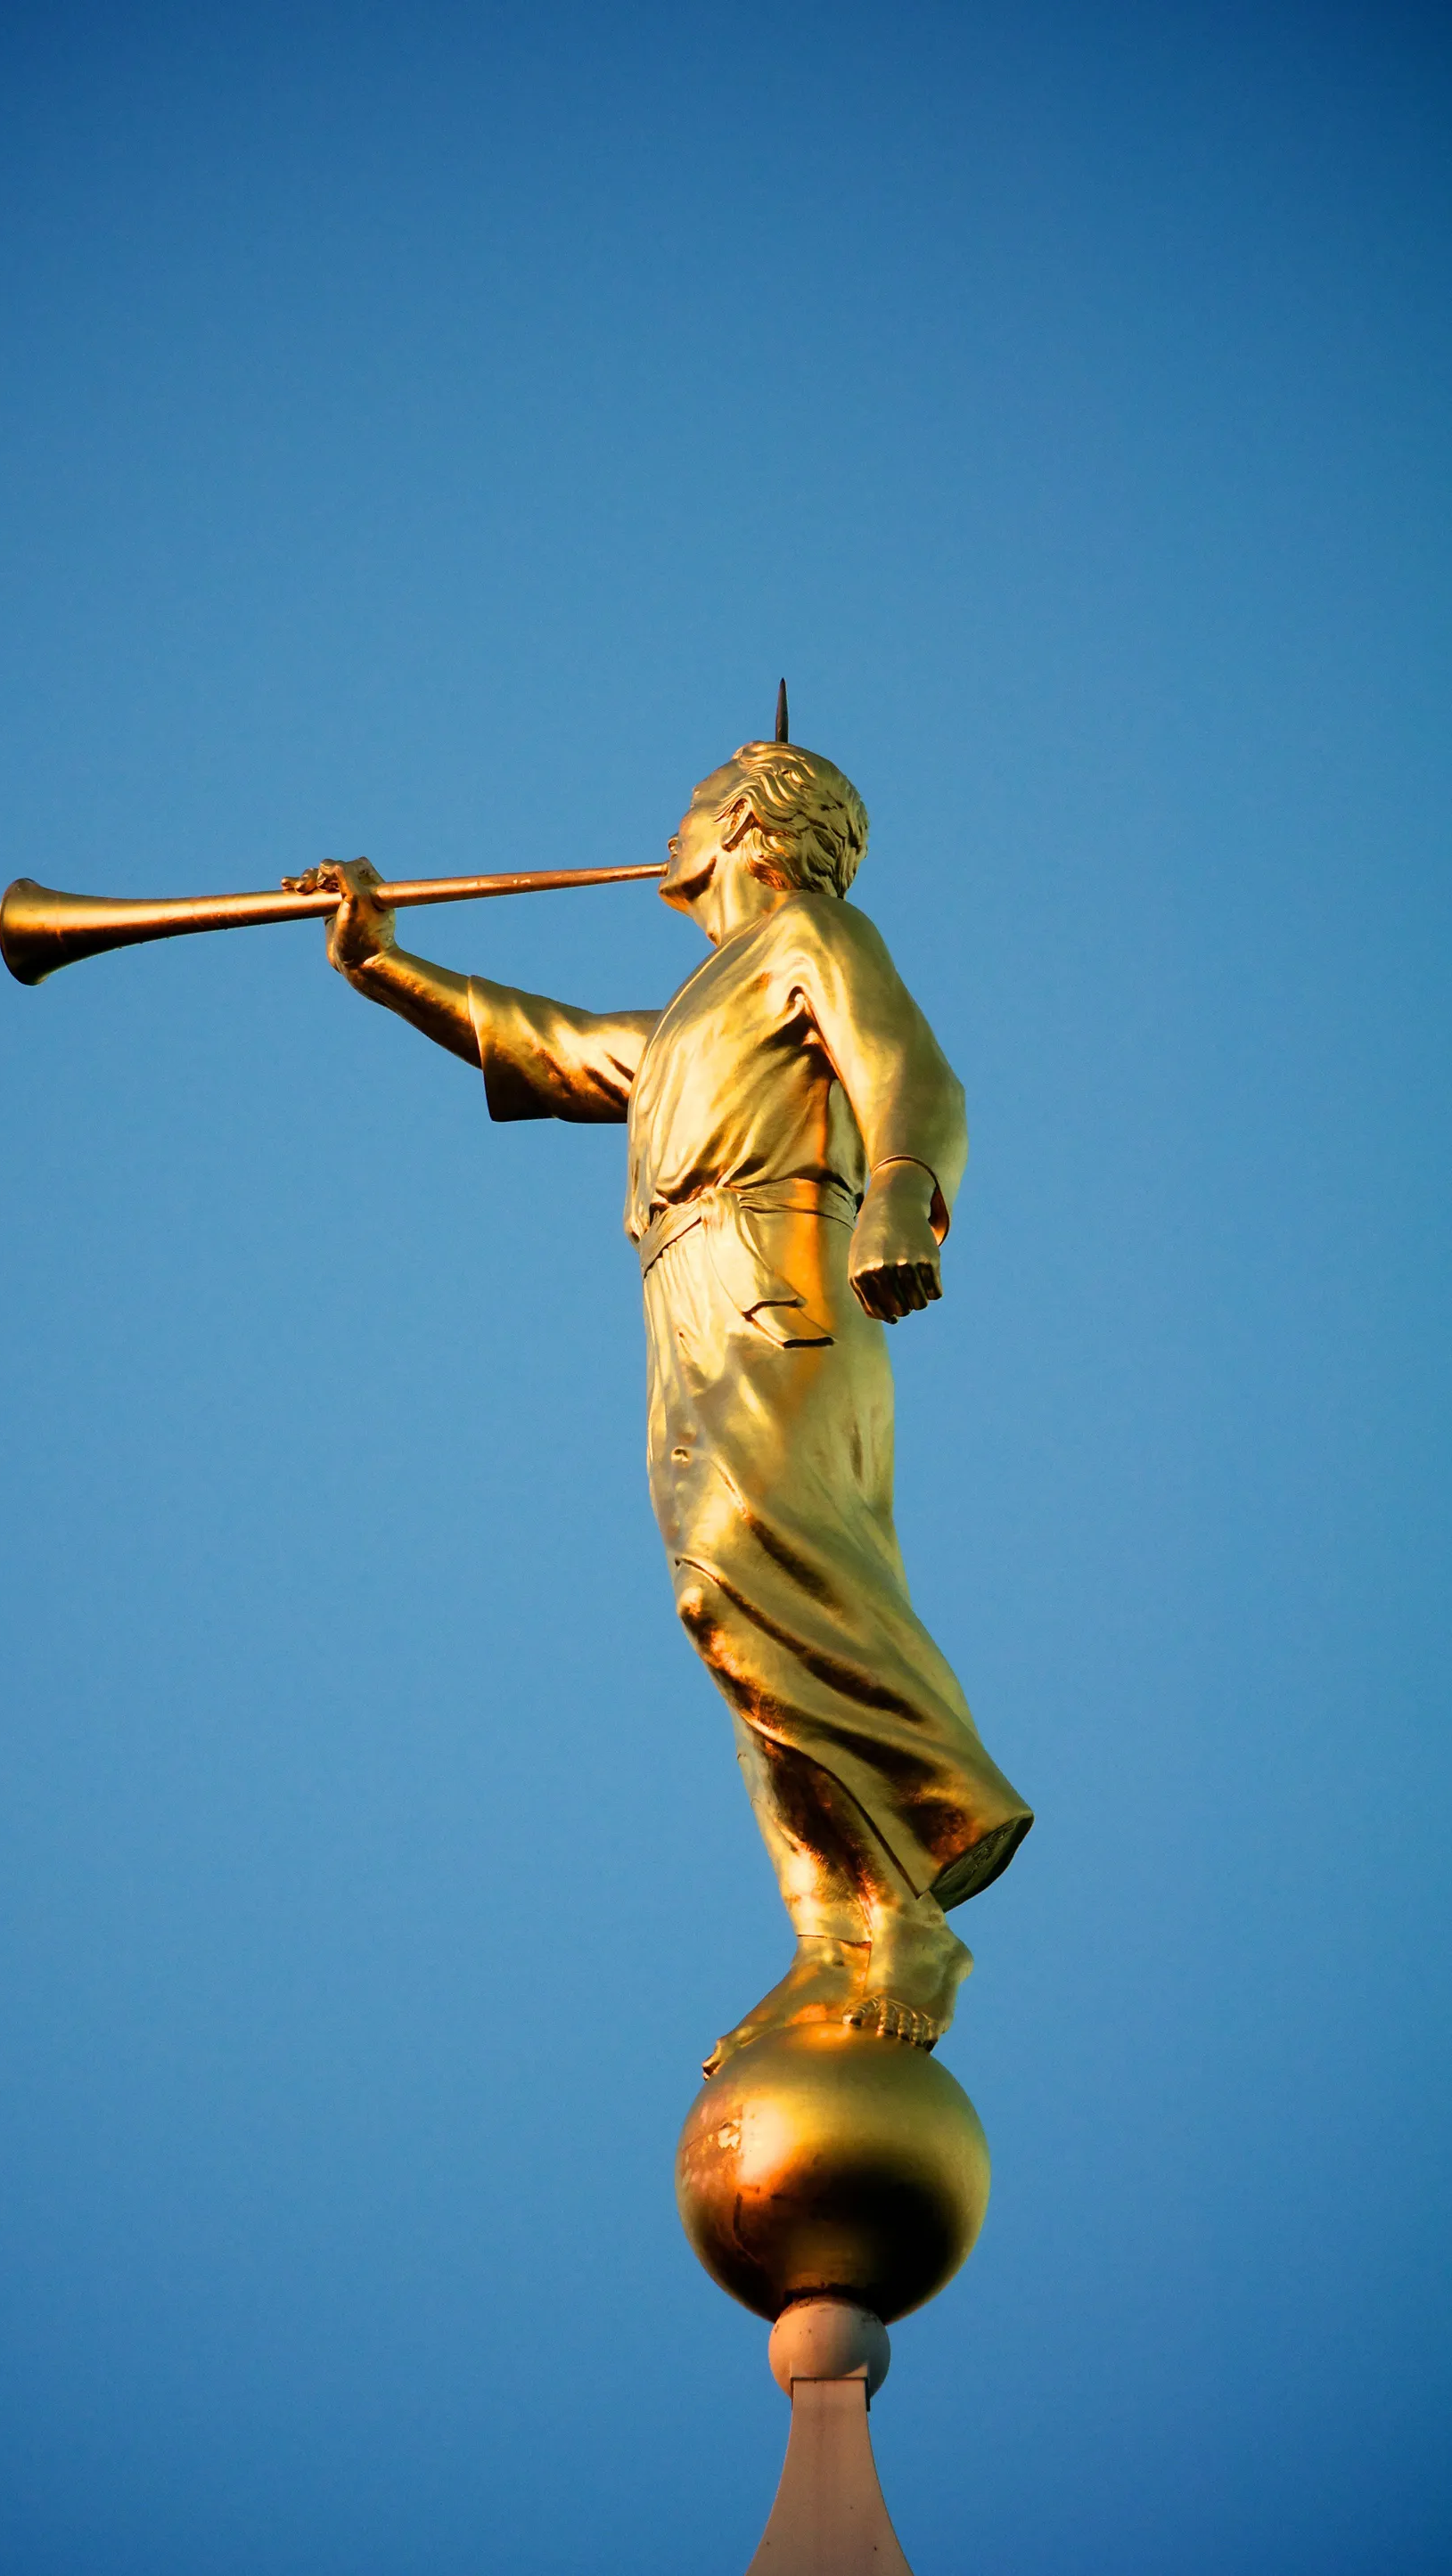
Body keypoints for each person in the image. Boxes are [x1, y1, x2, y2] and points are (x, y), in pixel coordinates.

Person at [314, 737, 1030, 2072]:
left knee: (756, 1566)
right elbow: (544, 1039)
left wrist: (900, 1193)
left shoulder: (815, 933)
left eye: (695, 800)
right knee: (726, 1614)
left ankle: (924, 1865)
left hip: (782, 1272)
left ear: (751, 825)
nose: (672, 823)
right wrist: (379, 959)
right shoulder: (698, 1014)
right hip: (684, 1302)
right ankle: (831, 1932)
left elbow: (913, 1066)